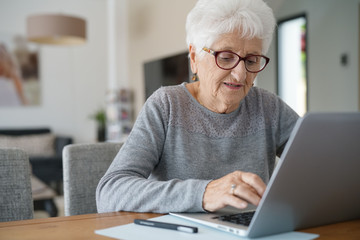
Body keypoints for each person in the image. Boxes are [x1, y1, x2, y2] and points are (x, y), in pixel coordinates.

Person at [96, 0, 299, 213]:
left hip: (251, 232)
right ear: (194, 58)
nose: (241, 74)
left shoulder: (269, 108)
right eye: (226, 57)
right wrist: (203, 193)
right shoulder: (166, 106)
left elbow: (324, 164)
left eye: (251, 61)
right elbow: (110, 192)